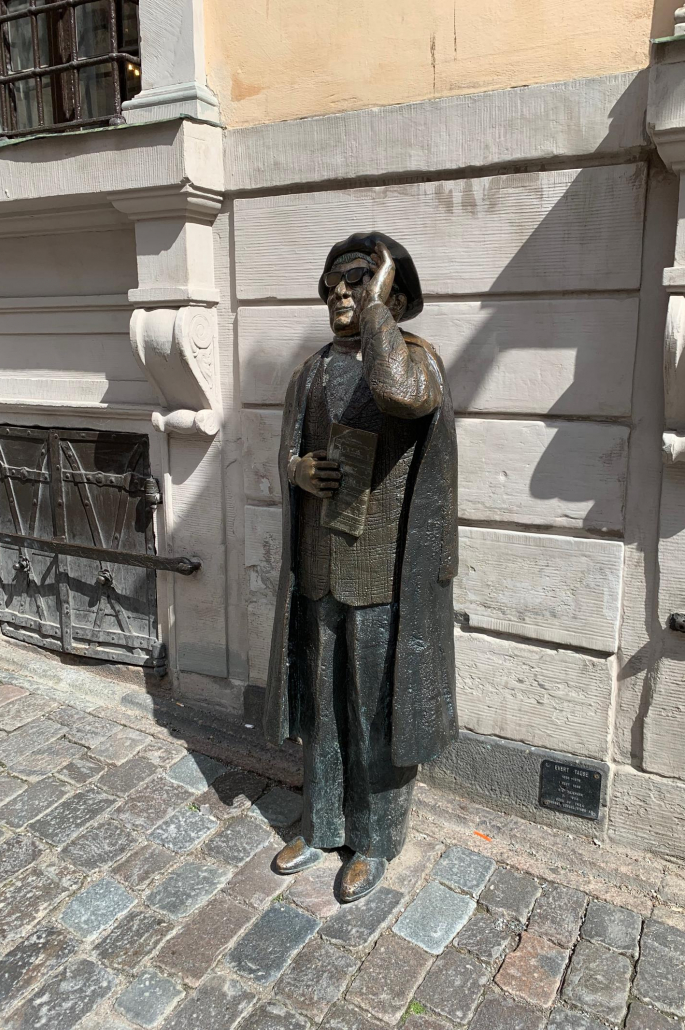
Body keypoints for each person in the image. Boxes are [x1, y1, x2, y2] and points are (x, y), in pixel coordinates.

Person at [264, 231, 458, 902]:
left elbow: (399, 393)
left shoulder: (414, 360)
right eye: (333, 284)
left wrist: (378, 314)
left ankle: (374, 840)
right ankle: (320, 825)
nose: (339, 294)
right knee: (322, 706)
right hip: (320, 567)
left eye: (357, 281)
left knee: (374, 711)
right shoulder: (312, 372)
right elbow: (286, 449)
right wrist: (296, 469)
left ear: (392, 296)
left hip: (382, 577)